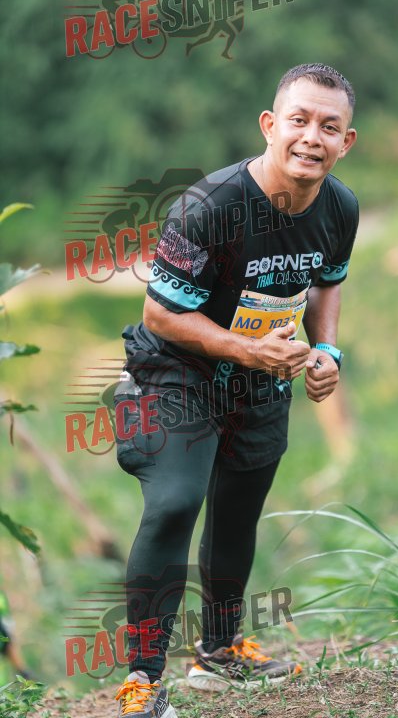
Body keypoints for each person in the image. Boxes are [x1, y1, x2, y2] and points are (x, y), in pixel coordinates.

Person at [113, 63, 359, 718]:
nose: (311, 137)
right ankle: (142, 681)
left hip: (260, 377)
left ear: (345, 142)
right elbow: (160, 314)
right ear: (270, 125)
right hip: (175, 371)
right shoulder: (212, 206)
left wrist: (327, 351)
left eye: (328, 126)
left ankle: (218, 653)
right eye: (299, 120)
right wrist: (249, 348)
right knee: (175, 501)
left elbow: (327, 281)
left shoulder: (340, 207)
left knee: (238, 508)